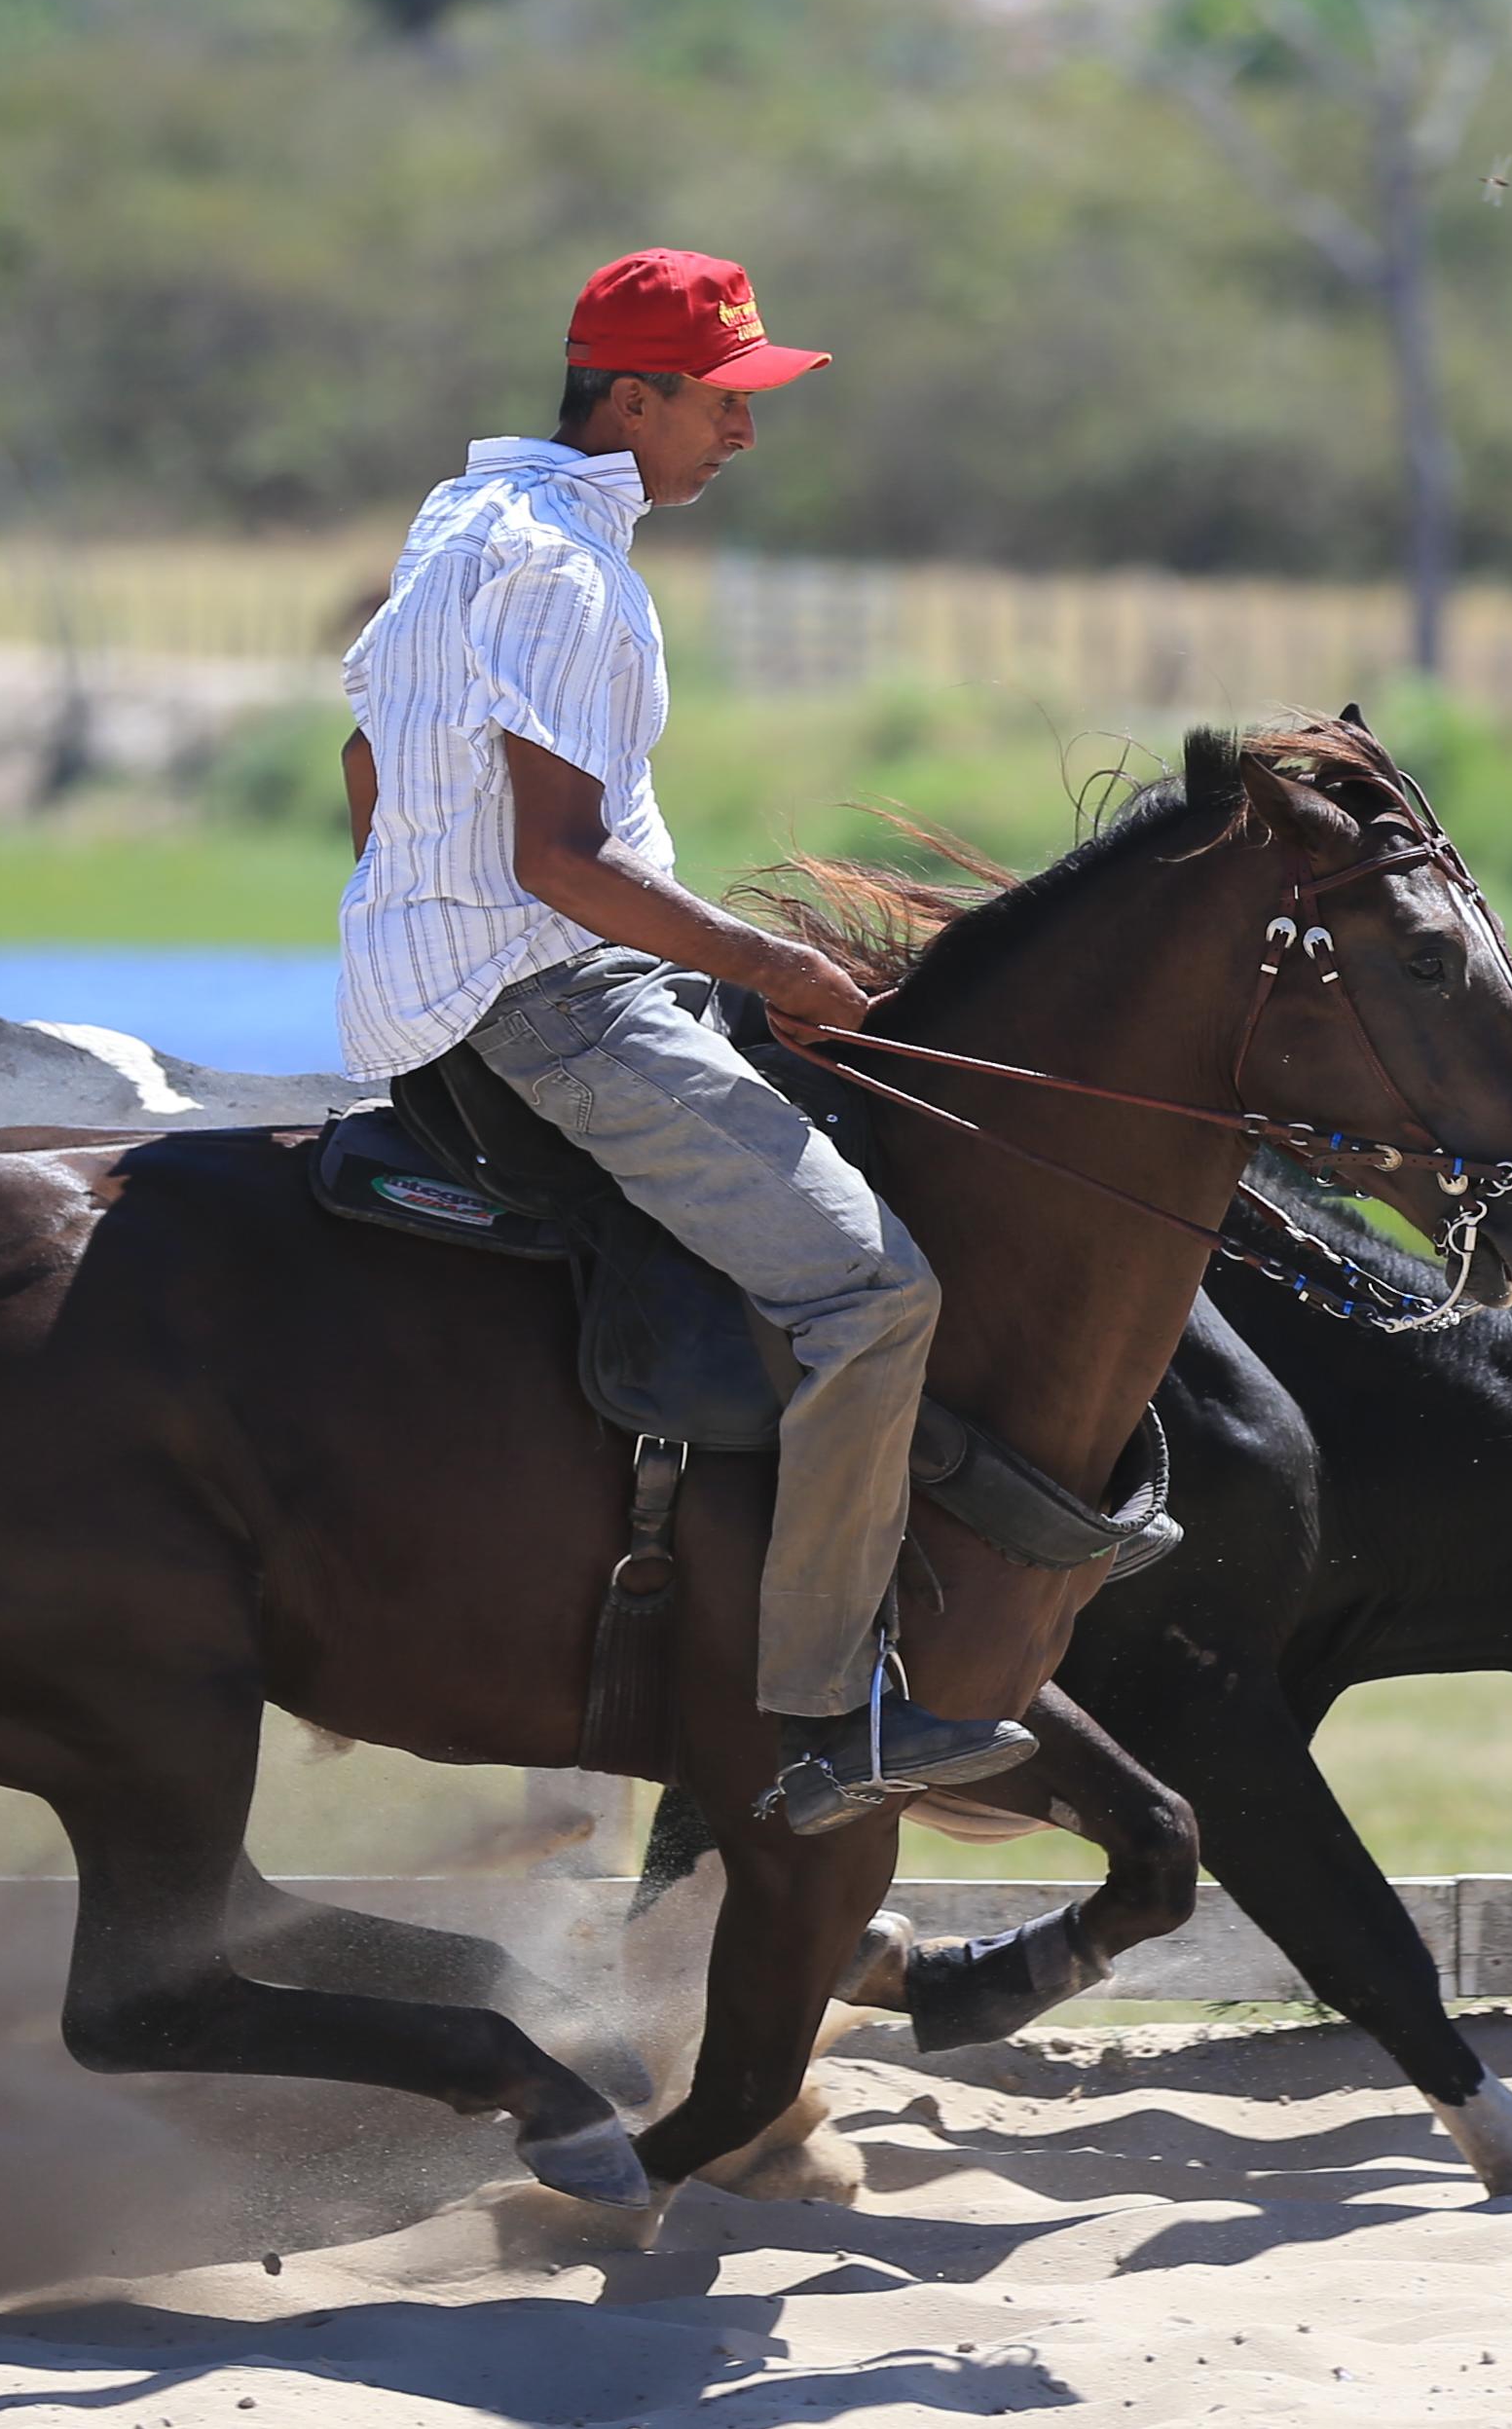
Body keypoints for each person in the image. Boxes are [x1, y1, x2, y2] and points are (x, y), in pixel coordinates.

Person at [331, 247, 1032, 1836]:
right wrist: (770, 959)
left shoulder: (464, 522)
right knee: (872, 1288)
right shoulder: (574, 578)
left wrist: (403, 922)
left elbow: (370, 767)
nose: (744, 434)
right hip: (557, 1002)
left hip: (449, 990)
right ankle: (821, 1710)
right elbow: (563, 866)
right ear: (629, 397)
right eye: (722, 403)